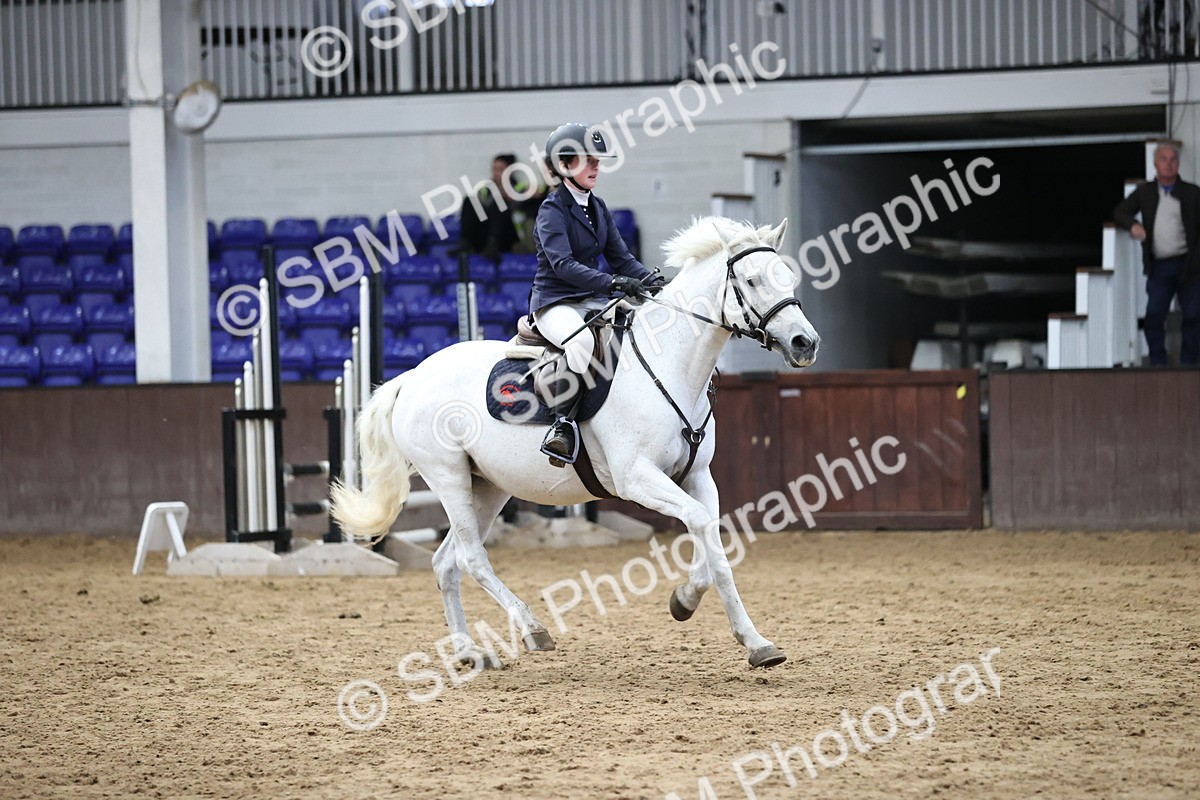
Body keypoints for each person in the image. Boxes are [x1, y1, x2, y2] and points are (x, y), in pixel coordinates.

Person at [530, 122, 663, 466]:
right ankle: (562, 427)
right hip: (555, 302)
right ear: (564, 165)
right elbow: (563, 265)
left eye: (596, 160)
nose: (595, 166)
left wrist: (654, 282)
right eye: (587, 159)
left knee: (634, 332)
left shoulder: (598, 207)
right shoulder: (551, 210)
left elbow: (622, 258)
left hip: (591, 300)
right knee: (583, 343)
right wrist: (614, 284)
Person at [1113, 142, 1200, 365]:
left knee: (1193, 315)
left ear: (1178, 164)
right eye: (1164, 159)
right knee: (1154, 316)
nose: (1169, 164)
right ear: (1155, 164)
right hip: (1160, 265)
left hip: (1189, 264)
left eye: (1173, 160)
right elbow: (1120, 211)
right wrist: (1133, 225)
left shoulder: (1192, 193)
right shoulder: (1145, 192)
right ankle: (1158, 363)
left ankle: (1189, 363)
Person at [460, 153, 533, 260]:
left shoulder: (520, 189)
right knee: (470, 200)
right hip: (486, 235)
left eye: (500, 169)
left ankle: (494, 244)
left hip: (508, 237)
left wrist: (511, 200)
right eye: (494, 169)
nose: (496, 173)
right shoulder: (485, 189)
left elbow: (523, 213)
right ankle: (465, 243)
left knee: (500, 203)